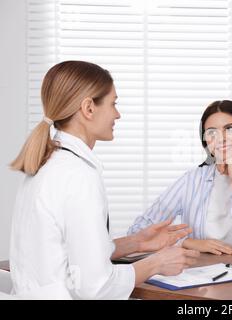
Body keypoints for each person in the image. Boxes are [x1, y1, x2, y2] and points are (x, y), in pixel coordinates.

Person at [9, 60, 199, 299]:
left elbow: (70, 253)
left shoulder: (47, 164)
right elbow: (96, 287)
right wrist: (156, 264)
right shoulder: (78, 175)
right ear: (89, 108)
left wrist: (137, 242)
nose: (117, 114)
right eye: (113, 103)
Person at [128, 100, 232, 255]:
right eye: (211, 132)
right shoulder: (192, 179)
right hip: (198, 272)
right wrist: (188, 243)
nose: (221, 138)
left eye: (230, 129)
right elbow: (138, 231)